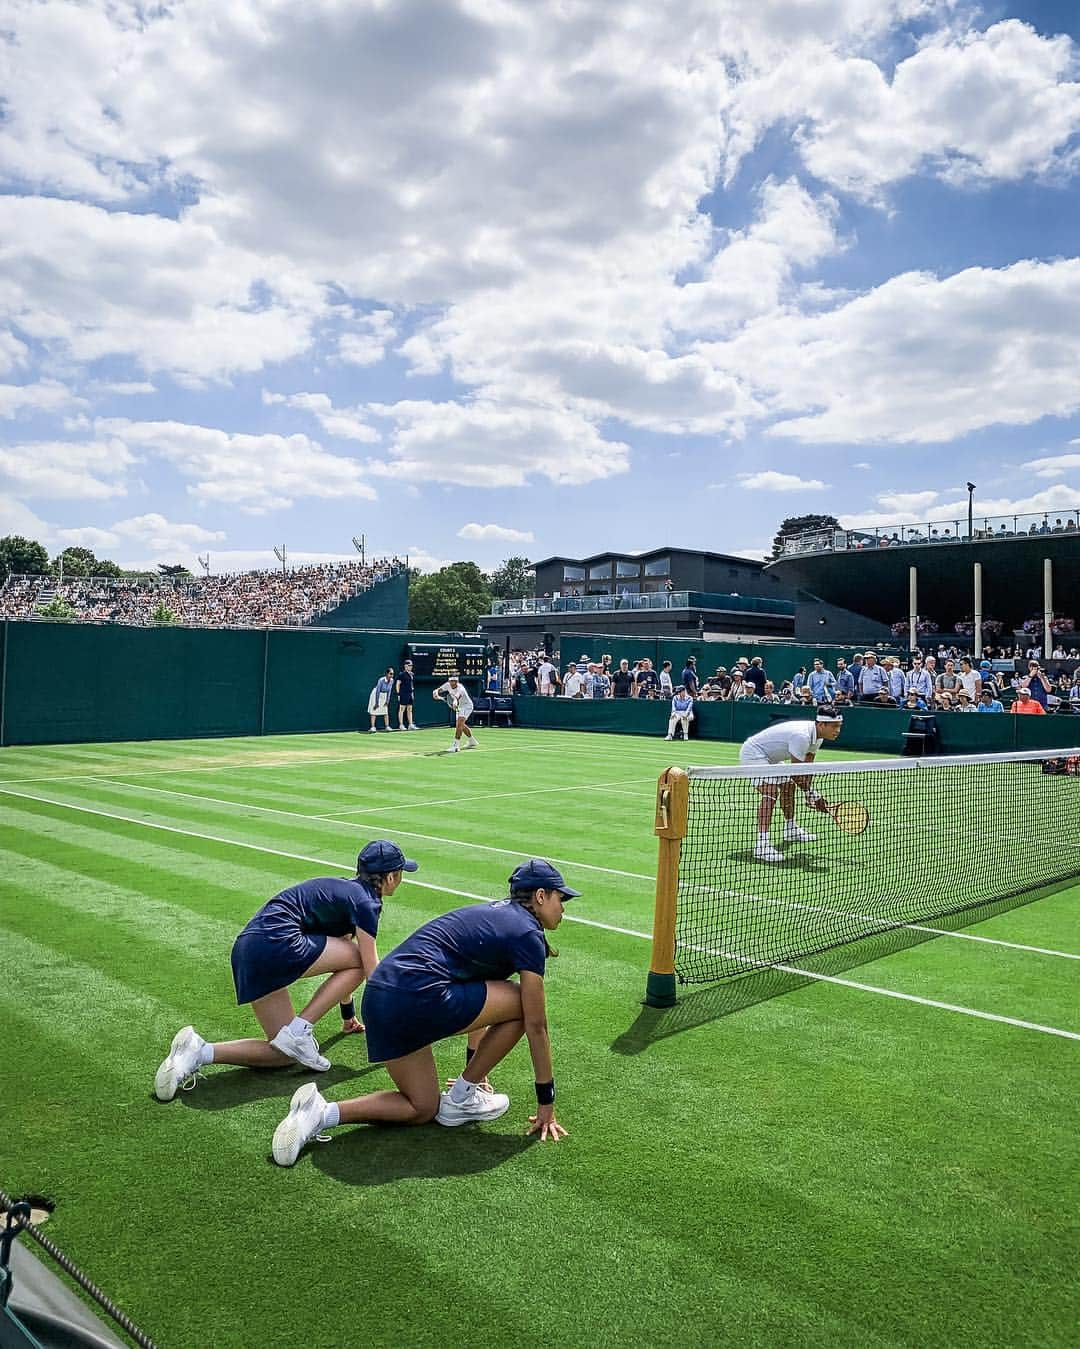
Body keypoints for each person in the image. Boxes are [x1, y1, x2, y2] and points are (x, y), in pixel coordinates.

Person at [270, 859, 579, 1165]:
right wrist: (546, 1105)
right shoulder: (526, 933)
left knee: (422, 1107)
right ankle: (461, 1098)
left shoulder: (497, 917)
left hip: (381, 999)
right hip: (414, 998)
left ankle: (320, 1112)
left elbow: (485, 983)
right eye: (560, 898)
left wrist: (476, 1069)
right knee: (522, 1005)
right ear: (540, 896)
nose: (563, 908)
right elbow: (537, 1025)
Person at [154, 840, 417, 1102]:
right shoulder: (367, 903)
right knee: (359, 962)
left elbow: (344, 957)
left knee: (283, 1054)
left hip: (248, 950)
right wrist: (396, 1027)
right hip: (276, 944)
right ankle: (299, 1030)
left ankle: (198, 1051)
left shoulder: (345, 893)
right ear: (391, 877)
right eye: (401, 873)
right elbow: (371, 969)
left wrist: (348, 1016)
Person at [739, 706, 844, 863]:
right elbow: (796, 772)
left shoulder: (818, 738)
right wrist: (813, 795)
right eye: (834, 726)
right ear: (822, 725)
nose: (838, 730)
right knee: (771, 791)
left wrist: (810, 794)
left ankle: (791, 829)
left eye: (839, 726)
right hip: (754, 753)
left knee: (788, 786)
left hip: (771, 758)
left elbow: (806, 768)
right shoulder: (801, 736)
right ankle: (761, 845)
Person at [434, 674, 478, 751]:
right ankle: (472, 741)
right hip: (460, 707)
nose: (453, 683)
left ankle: (456, 746)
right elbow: (439, 689)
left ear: (457, 681)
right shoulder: (447, 685)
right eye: (451, 681)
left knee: (459, 724)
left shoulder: (461, 688)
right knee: (461, 725)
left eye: (455, 681)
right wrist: (436, 692)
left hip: (467, 706)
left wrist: (454, 702)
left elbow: (456, 696)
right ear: (449, 681)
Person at [367, 667, 394, 732]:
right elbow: (378, 691)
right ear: (387, 674)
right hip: (376, 695)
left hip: (384, 695)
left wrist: (387, 701)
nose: (392, 675)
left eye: (392, 674)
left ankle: (387, 726)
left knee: (385, 711)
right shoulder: (381, 680)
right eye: (390, 674)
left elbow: (389, 691)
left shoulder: (392, 680)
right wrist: (376, 703)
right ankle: (373, 727)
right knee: (374, 711)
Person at [396, 659, 418, 731]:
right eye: (409, 665)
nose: (410, 667)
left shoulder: (411, 674)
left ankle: (410, 724)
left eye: (411, 665)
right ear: (405, 666)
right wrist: (398, 694)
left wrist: (412, 693)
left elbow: (411, 685)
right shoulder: (401, 674)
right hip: (403, 694)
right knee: (402, 709)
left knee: (410, 709)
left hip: (410, 694)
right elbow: (397, 684)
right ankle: (401, 725)